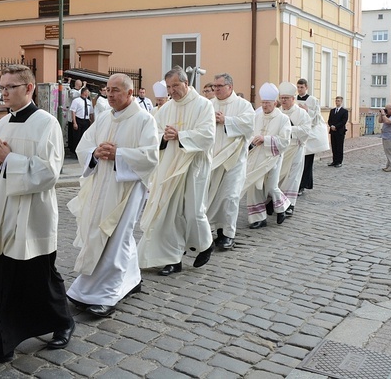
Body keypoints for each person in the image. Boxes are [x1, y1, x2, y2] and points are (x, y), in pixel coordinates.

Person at [0, 64, 74, 363]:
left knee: (41, 276)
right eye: (2, 86)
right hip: (3, 211)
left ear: (29, 88)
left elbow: (51, 172)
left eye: (10, 87)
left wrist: (10, 159)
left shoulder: (46, 123)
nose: (4, 92)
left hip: (34, 211)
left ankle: (63, 322)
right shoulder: (1, 124)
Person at [67, 74, 159, 317]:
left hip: (128, 188)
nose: (110, 94)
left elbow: (150, 157)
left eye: (116, 90)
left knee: (117, 237)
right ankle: (132, 278)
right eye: (108, 90)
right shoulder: (104, 117)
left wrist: (119, 154)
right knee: (101, 232)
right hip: (101, 186)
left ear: (130, 93)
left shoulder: (143, 120)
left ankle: (106, 294)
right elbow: (83, 147)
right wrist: (95, 153)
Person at [138, 66, 215, 276]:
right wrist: (164, 137)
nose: (172, 91)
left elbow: (208, 135)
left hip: (193, 165)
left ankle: (205, 244)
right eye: (169, 87)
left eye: (175, 86)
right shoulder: (165, 109)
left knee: (193, 211)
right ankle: (173, 258)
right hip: (170, 165)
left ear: (186, 83)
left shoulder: (203, 105)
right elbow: (155, 133)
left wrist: (181, 135)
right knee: (168, 211)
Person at [204, 73, 255, 250]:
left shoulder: (243, 105)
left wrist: (226, 120)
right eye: (214, 87)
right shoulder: (209, 105)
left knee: (230, 196)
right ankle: (215, 231)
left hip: (234, 160)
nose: (216, 89)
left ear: (230, 87)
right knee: (213, 196)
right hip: (213, 159)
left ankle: (228, 234)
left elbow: (249, 125)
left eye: (219, 86)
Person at [243, 83, 291, 228]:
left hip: (273, 157)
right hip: (256, 157)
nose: (264, 106)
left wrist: (266, 139)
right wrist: (253, 140)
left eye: (267, 103)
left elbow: (285, 140)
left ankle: (283, 207)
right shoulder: (256, 117)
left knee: (271, 186)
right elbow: (249, 134)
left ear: (274, 103)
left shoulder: (283, 119)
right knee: (254, 186)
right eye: (263, 103)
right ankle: (258, 218)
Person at [276, 82, 310, 219]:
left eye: (286, 98)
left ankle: (290, 205)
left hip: (296, 147)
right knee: (278, 176)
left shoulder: (301, 113)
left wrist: (289, 129)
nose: (283, 101)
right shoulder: (277, 113)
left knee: (292, 177)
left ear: (293, 99)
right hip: (280, 149)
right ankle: (278, 202)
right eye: (282, 98)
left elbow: (306, 130)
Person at [296, 78, 328, 195]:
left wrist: (307, 110)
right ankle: (299, 183)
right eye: (298, 87)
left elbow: (316, 118)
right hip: (298, 133)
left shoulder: (312, 100)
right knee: (297, 161)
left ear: (306, 87)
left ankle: (303, 185)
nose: (299, 90)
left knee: (307, 161)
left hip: (310, 135)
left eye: (302, 87)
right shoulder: (294, 99)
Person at [69, 86, 92, 155]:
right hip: (79, 119)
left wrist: (92, 122)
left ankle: (83, 151)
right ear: (83, 92)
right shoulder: (76, 101)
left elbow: (91, 112)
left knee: (84, 137)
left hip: (86, 120)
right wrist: (74, 122)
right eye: (87, 92)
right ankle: (76, 152)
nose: (88, 94)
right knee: (77, 137)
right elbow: (73, 112)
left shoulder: (89, 102)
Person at [377, 103, 391, 172]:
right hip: (386, 136)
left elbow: (388, 121)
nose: (385, 110)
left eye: (386, 109)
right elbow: (380, 121)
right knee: (387, 151)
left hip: (390, 137)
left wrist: (383, 114)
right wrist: (381, 114)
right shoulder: (388, 115)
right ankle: (388, 165)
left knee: (390, 151)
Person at [327, 96, 349, 167]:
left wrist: (336, 126)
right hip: (333, 131)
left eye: (338, 101)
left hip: (340, 131)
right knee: (334, 146)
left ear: (341, 102)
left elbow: (343, 121)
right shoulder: (332, 111)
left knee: (339, 147)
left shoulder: (344, 111)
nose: (337, 102)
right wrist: (331, 126)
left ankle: (339, 161)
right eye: (336, 101)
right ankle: (334, 161)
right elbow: (329, 120)